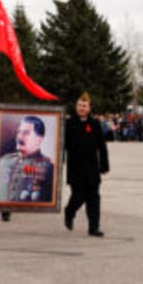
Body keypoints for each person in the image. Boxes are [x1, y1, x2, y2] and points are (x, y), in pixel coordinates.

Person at [64, 92, 109, 237]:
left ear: (89, 108)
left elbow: (102, 147)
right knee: (78, 196)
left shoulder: (95, 124)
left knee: (94, 199)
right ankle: (69, 212)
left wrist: (104, 165)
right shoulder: (69, 124)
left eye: (84, 106)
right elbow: (62, 145)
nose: (81, 108)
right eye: (79, 105)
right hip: (75, 168)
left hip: (92, 168)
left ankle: (94, 227)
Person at [0, 116, 54, 202]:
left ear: (39, 139)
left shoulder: (48, 167)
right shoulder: (4, 161)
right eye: (19, 132)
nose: (19, 137)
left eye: (26, 133)